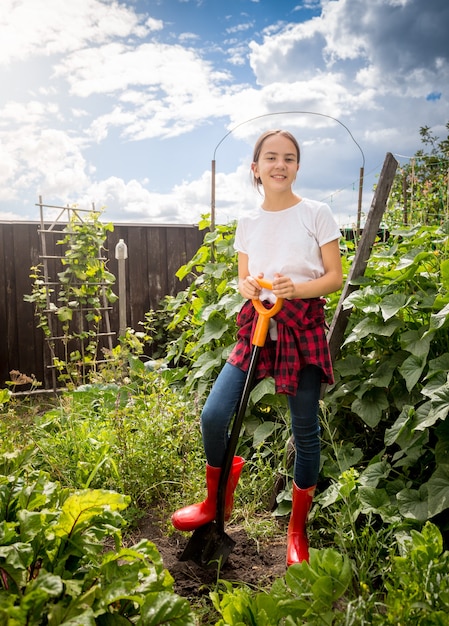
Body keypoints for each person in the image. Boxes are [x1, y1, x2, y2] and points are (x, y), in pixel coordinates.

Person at [172, 129, 343, 566]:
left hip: (300, 326)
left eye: (288, 158)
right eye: (271, 157)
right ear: (256, 168)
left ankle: (296, 533)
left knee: (304, 430)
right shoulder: (248, 223)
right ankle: (215, 503)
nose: (279, 164)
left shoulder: (317, 213)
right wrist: (247, 285)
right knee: (213, 414)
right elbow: (244, 277)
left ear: (297, 167)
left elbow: (333, 278)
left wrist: (297, 288)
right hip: (258, 323)